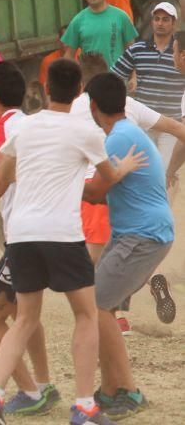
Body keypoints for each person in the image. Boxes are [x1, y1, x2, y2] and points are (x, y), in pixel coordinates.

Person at [0, 59, 144, 425]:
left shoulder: (26, 128)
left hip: (21, 236)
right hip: (62, 235)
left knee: (25, 319)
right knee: (87, 314)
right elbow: (101, 185)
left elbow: (0, 177)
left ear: (44, 90)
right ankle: (83, 406)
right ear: (80, 91)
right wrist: (123, 168)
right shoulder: (86, 131)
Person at [82, 73, 175, 419]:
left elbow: (93, 193)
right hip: (137, 233)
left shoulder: (118, 139)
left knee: (97, 305)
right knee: (99, 306)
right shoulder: (126, 133)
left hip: (142, 235)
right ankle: (111, 389)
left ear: (93, 106)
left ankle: (128, 392)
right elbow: (110, 193)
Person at [0, 61, 62, 417]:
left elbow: (4, 178)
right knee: (28, 313)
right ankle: (43, 384)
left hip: (26, 237)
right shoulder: (33, 122)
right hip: (51, 232)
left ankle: (28, 391)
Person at [112, 2, 185, 165]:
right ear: (152, 22)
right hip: (144, 123)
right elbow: (113, 78)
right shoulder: (137, 49)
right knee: (144, 170)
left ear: (174, 23)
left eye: (165, 19)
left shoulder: (179, 53)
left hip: (171, 124)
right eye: (157, 19)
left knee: (164, 171)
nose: (160, 23)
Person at [62, 0, 138, 67]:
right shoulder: (77, 20)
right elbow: (69, 55)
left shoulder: (121, 16)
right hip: (91, 80)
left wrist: (133, 76)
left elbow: (132, 50)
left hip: (117, 78)